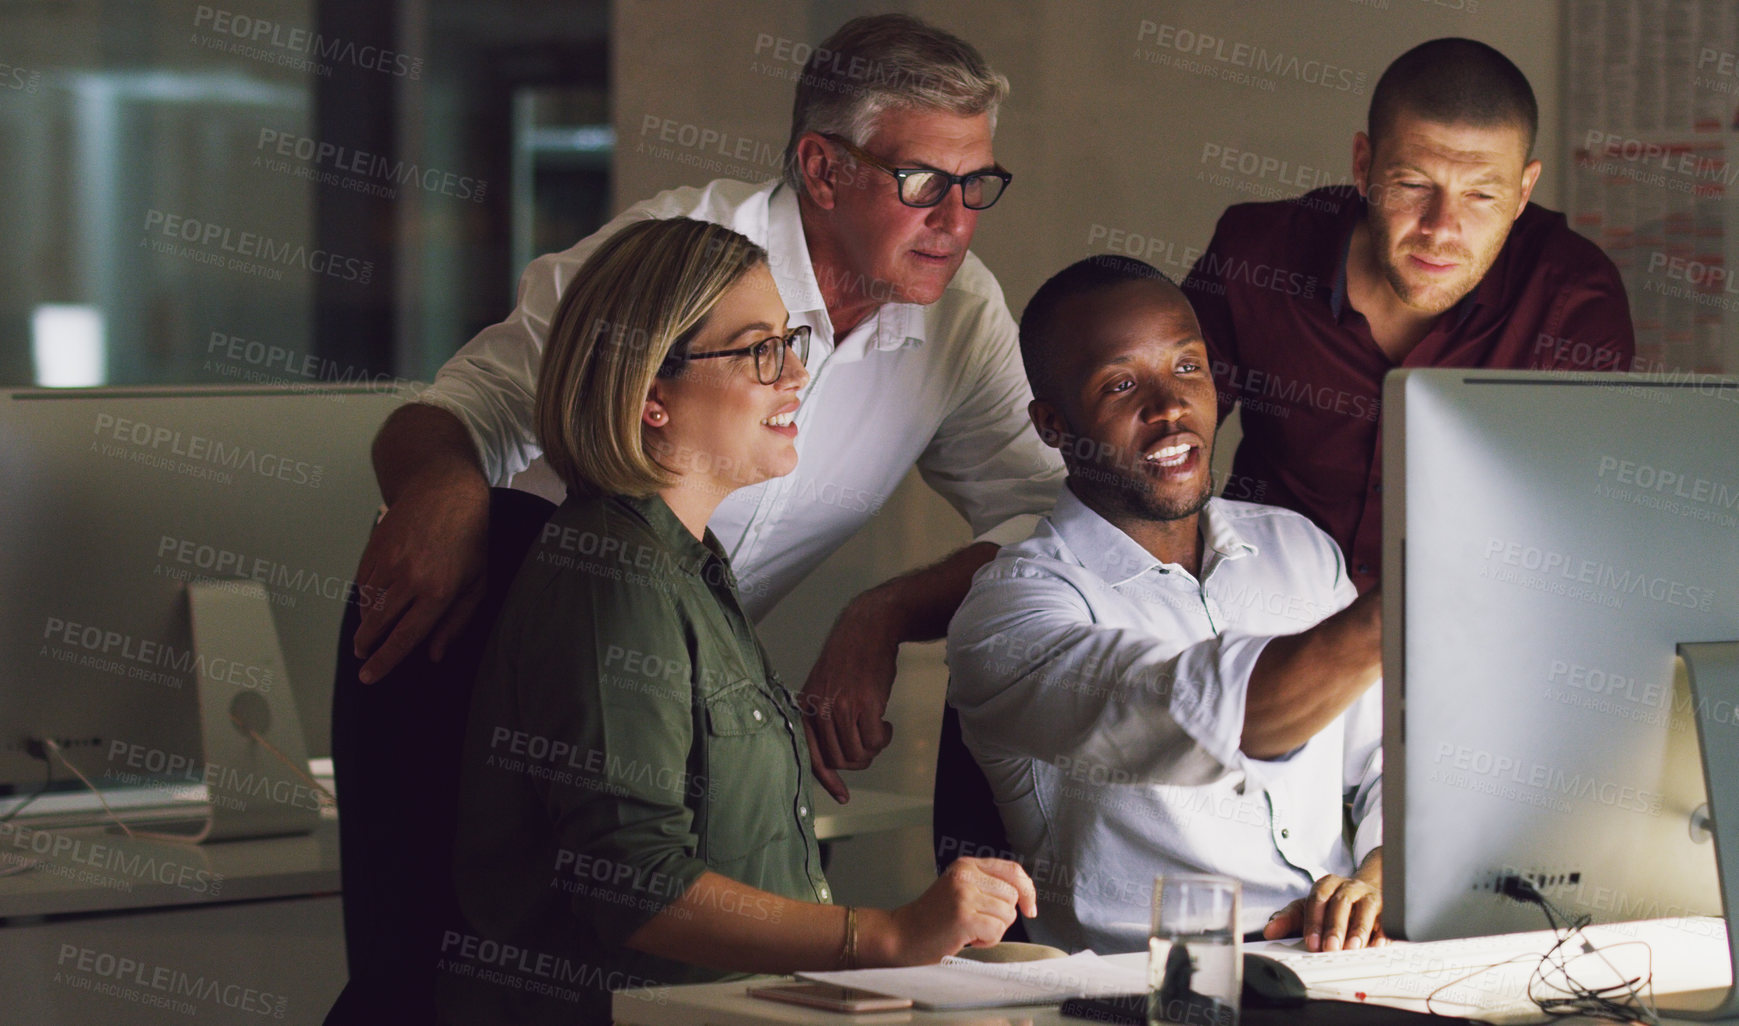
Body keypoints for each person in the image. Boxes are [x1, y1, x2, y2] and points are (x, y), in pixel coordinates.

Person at [354, 14, 1064, 799]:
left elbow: (1048, 518)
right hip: (469, 649)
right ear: (822, 169)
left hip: (669, 698)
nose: (956, 221)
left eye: (976, 186)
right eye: (924, 182)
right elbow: (463, 409)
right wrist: (444, 489)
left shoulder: (961, 314)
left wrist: (887, 612)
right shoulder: (675, 252)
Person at [446, 217, 1036, 1025]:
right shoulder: (612, 576)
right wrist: (887, 936)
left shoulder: (687, 563)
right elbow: (634, 886)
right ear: (652, 396)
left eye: (791, 341)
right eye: (761, 349)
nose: (795, 373)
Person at [947, 256, 1385, 956]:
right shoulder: (1011, 613)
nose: (1169, 408)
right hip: (1148, 993)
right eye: (1120, 385)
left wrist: (1379, 873)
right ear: (1052, 424)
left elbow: (1387, 753)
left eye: (1187, 368)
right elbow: (1216, 714)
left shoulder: (1298, 547)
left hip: (1337, 963)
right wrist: (1404, 604)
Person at [1182, 37, 1633, 591]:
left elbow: (1576, 528)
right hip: (1266, 623)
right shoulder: (1255, 254)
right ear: (1363, 164)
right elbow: (1159, 440)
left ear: (1523, 191)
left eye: (1482, 196)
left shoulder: (1574, 298)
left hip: (1474, 630)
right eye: (1414, 185)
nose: (1441, 228)